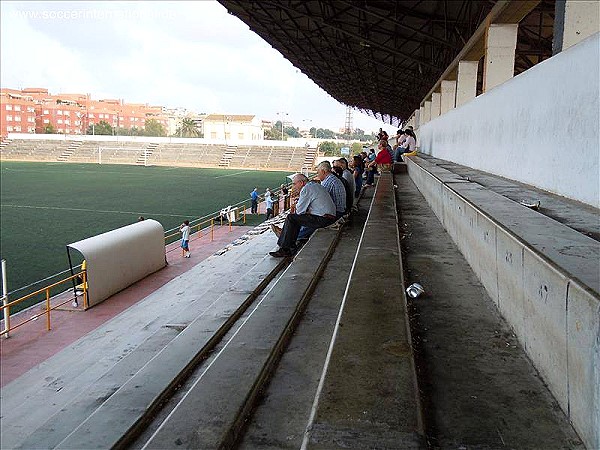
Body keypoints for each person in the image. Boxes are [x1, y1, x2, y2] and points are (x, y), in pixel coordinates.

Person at [269, 173, 336, 257]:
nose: (293, 186)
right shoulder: (314, 185)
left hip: (324, 219)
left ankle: (284, 249)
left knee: (291, 218)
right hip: (328, 217)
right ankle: (290, 244)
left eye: (294, 184)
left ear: (301, 183)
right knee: (296, 219)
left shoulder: (306, 189)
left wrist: (297, 203)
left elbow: (299, 211)